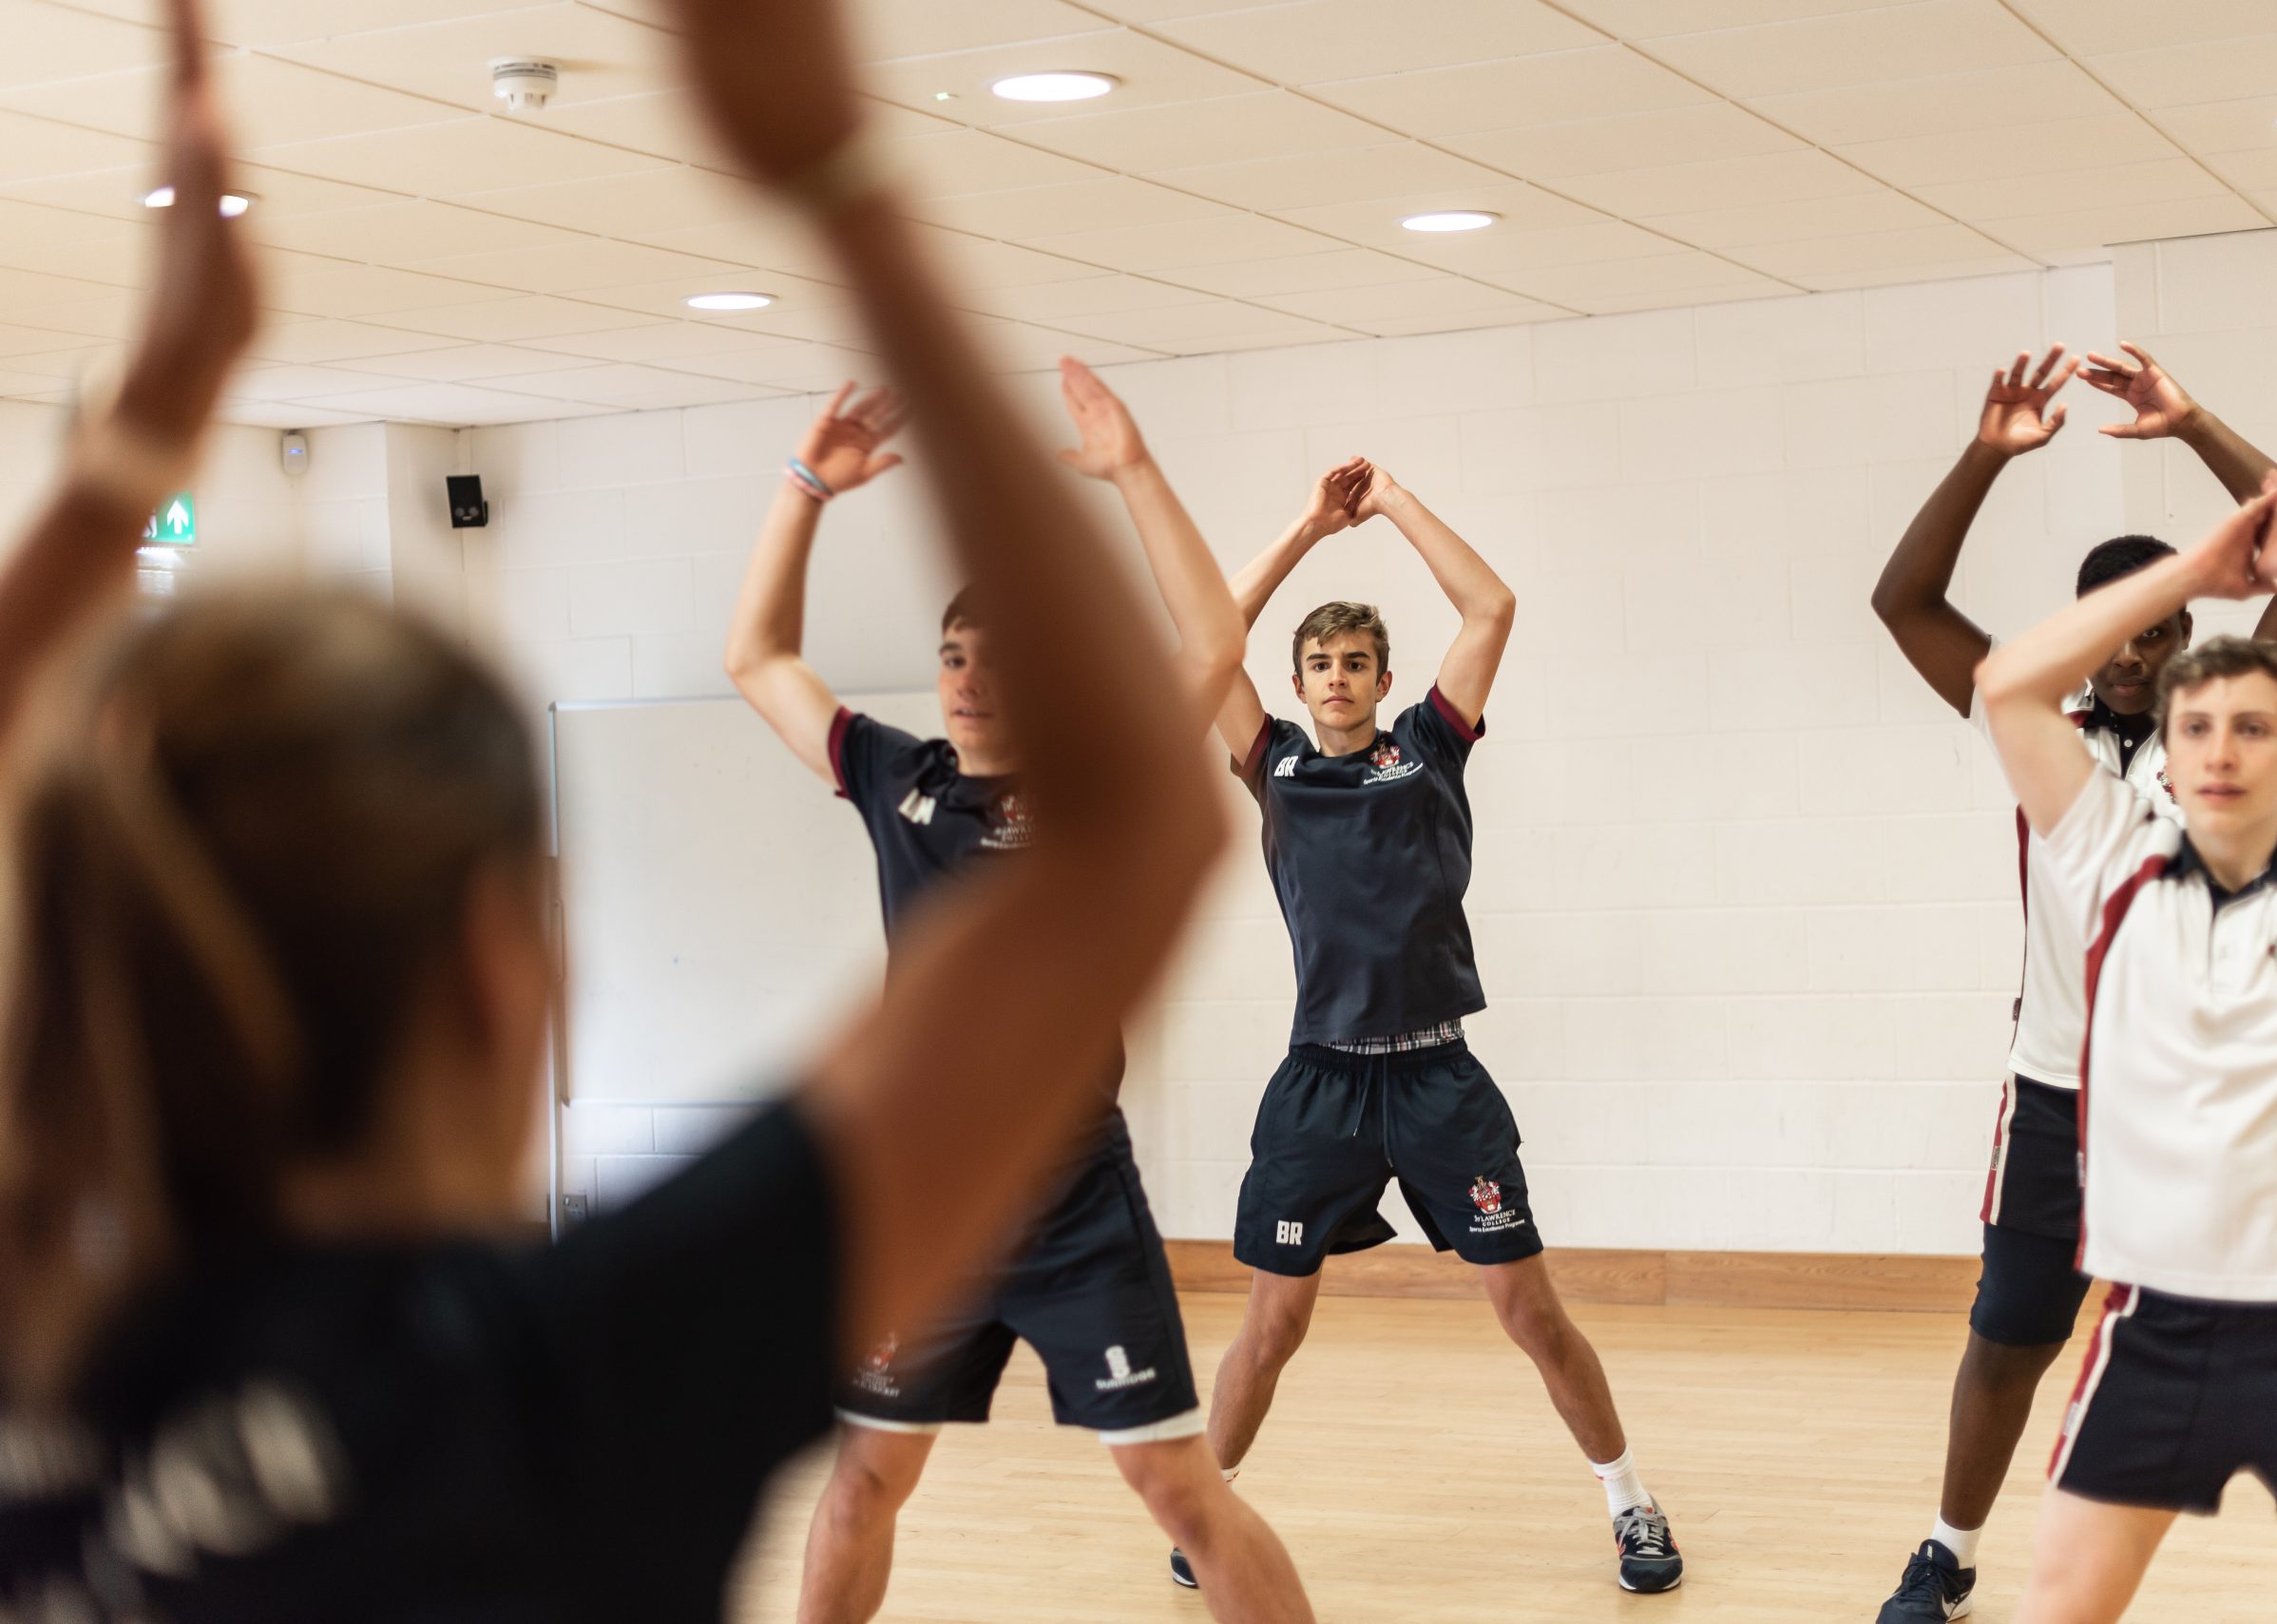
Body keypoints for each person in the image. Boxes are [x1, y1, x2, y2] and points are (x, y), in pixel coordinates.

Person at [0, 0, 1227, 1615]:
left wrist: (137, 446)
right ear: (503, 965)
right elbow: (1147, 826)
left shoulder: (40, 1356)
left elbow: (1122, 802)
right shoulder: (551, 1383)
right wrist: (835, 173)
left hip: (1078, 1200)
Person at [723, 357, 1314, 1624]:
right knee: (863, 1479)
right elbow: (756, 655)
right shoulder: (897, 780)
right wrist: (803, 489)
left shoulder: (1099, 786)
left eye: (995, 659)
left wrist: (1134, 472)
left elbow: (1214, 644)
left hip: (1072, 1197)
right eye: (951, 655)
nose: (967, 678)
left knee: (1176, 1484)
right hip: (925, 1205)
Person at [1867, 342, 2277, 1621]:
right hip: (2058, 1097)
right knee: (2010, 1335)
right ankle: (1947, 1552)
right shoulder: (2042, 726)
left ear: (2188, 633)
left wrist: (2194, 426)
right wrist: (1985, 455)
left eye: (2157, 628)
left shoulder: (2236, 729)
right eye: (2113, 630)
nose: (2132, 653)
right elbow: (1904, 601)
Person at [1153, 457, 1684, 1595]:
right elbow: (1203, 636)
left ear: (1382, 677)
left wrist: (1389, 501)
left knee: (1529, 1310)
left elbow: (1491, 605)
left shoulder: (1427, 746)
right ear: (1296, 681)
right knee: (1270, 1327)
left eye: (1355, 661)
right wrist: (1308, 524)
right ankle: (1204, 1513)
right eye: (1319, 662)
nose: (1337, 677)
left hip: (1439, 1075)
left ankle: (1631, 1502)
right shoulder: (1273, 764)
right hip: (1321, 1085)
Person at [1975, 479, 2277, 1624]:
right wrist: (2188, 573)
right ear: (2163, 757)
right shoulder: (2105, 853)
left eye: (2254, 726)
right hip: (2154, 1334)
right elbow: (2005, 683)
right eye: (2195, 727)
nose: (2221, 750)